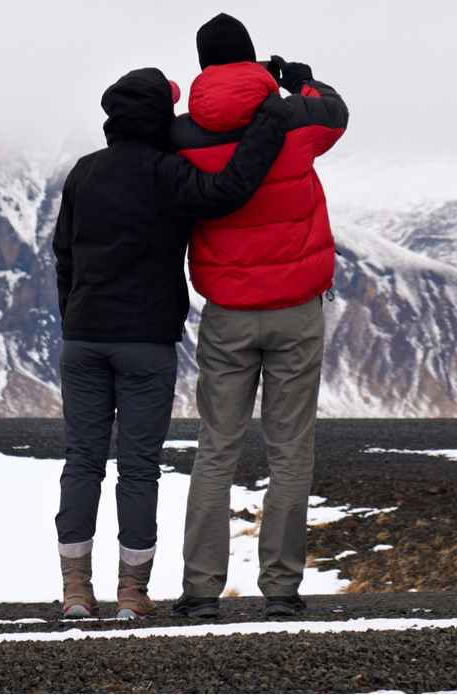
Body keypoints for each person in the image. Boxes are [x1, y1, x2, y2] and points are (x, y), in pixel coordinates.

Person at [53, 66, 289, 620]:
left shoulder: (84, 173)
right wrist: (267, 124)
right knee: (138, 467)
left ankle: (75, 592)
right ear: (161, 118)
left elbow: (63, 255)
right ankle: (132, 594)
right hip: (147, 343)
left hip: (84, 339)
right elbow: (228, 189)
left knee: (81, 462)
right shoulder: (168, 173)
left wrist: (75, 318)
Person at [169, 13, 348, 619]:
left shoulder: (184, 135)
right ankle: (280, 589)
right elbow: (336, 111)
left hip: (227, 316)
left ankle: (199, 590)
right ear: (251, 60)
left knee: (216, 447)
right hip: (297, 311)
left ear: (202, 68)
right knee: (290, 449)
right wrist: (301, 80)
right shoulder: (294, 119)